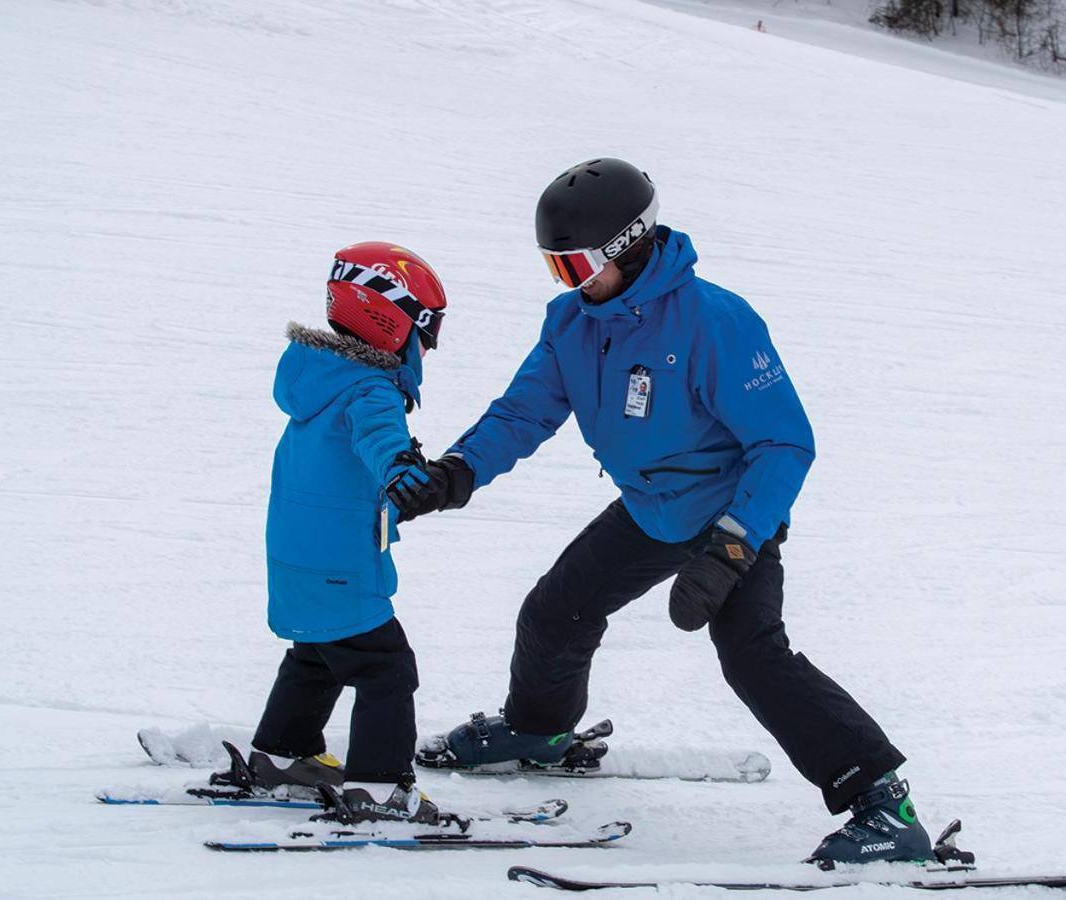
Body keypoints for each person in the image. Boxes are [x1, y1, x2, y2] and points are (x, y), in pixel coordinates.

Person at [392, 158, 935, 868]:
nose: (571, 283)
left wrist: (734, 547)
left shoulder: (714, 320)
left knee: (752, 656)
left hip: (733, 514)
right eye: (557, 269)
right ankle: (538, 731)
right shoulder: (571, 324)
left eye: (578, 265)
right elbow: (525, 411)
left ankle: (884, 806)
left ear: (630, 244)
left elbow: (784, 444)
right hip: (652, 509)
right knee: (555, 613)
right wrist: (457, 472)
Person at [209, 241, 447, 826]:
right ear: (390, 320)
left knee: (317, 651)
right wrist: (404, 473)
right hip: (339, 562)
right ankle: (379, 789)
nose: (428, 343)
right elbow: (379, 438)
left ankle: (281, 757)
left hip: (296, 555)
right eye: (426, 327)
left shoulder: (319, 380)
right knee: (386, 667)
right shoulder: (370, 389)